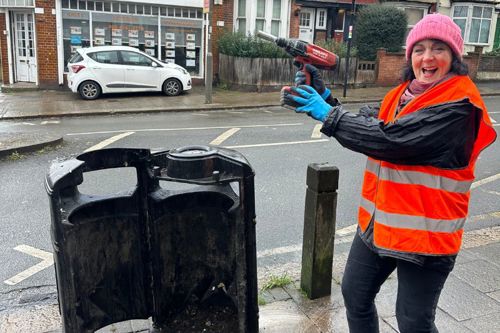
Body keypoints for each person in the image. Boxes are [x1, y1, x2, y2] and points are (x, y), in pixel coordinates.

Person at [284, 13, 497, 333]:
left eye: (438, 48)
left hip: (427, 235)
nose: (427, 57)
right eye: (419, 49)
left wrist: (328, 115)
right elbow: (372, 124)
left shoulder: (459, 107)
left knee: (413, 321)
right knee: (354, 295)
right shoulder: (402, 95)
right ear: (410, 55)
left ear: (454, 57)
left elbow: (391, 140)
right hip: (380, 224)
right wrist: (327, 97)